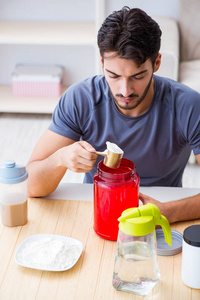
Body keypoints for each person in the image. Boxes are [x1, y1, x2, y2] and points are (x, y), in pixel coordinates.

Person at [27, 7, 200, 224]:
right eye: (114, 76)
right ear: (101, 63)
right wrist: (60, 159)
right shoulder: (81, 99)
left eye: (137, 76)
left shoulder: (188, 105)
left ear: (156, 63)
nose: (125, 90)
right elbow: (29, 184)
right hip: (96, 209)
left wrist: (170, 212)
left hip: (164, 210)